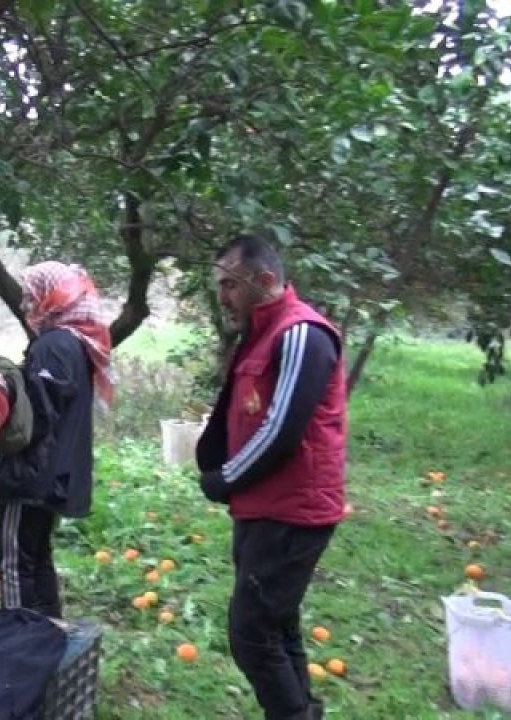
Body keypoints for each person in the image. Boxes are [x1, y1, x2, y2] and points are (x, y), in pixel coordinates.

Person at [195, 233, 348, 720]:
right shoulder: (261, 333)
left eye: (229, 285)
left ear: (264, 280)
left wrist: (224, 478)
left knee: (251, 633)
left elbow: (282, 429)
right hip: (264, 507)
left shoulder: (301, 332)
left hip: (292, 511)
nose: (222, 297)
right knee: (276, 627)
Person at [0, 261, 114, 619]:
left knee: (13, 561)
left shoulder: (53, 346)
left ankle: (17, 640)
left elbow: (37, 414)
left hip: (29, 476)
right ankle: (48, 634)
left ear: (52, 298)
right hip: (52, 475)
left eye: (30, 297)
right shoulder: (76, 344)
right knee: (37, 557)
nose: (25, 306)